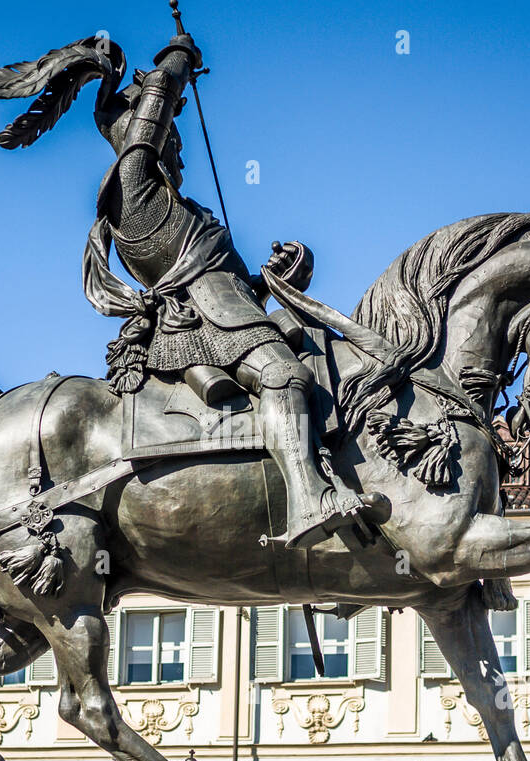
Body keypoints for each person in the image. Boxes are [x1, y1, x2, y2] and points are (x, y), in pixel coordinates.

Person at [83, 31, 385, 549]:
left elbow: (238, 288)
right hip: (201, 325)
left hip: (233, 315)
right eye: (170, 142)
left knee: (330, 367)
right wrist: (179, 58)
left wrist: (282, 274)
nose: (179, 151)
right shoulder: (134, 198)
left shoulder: (190, 213)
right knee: (284, 374)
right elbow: (152, 116)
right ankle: (309, 499)